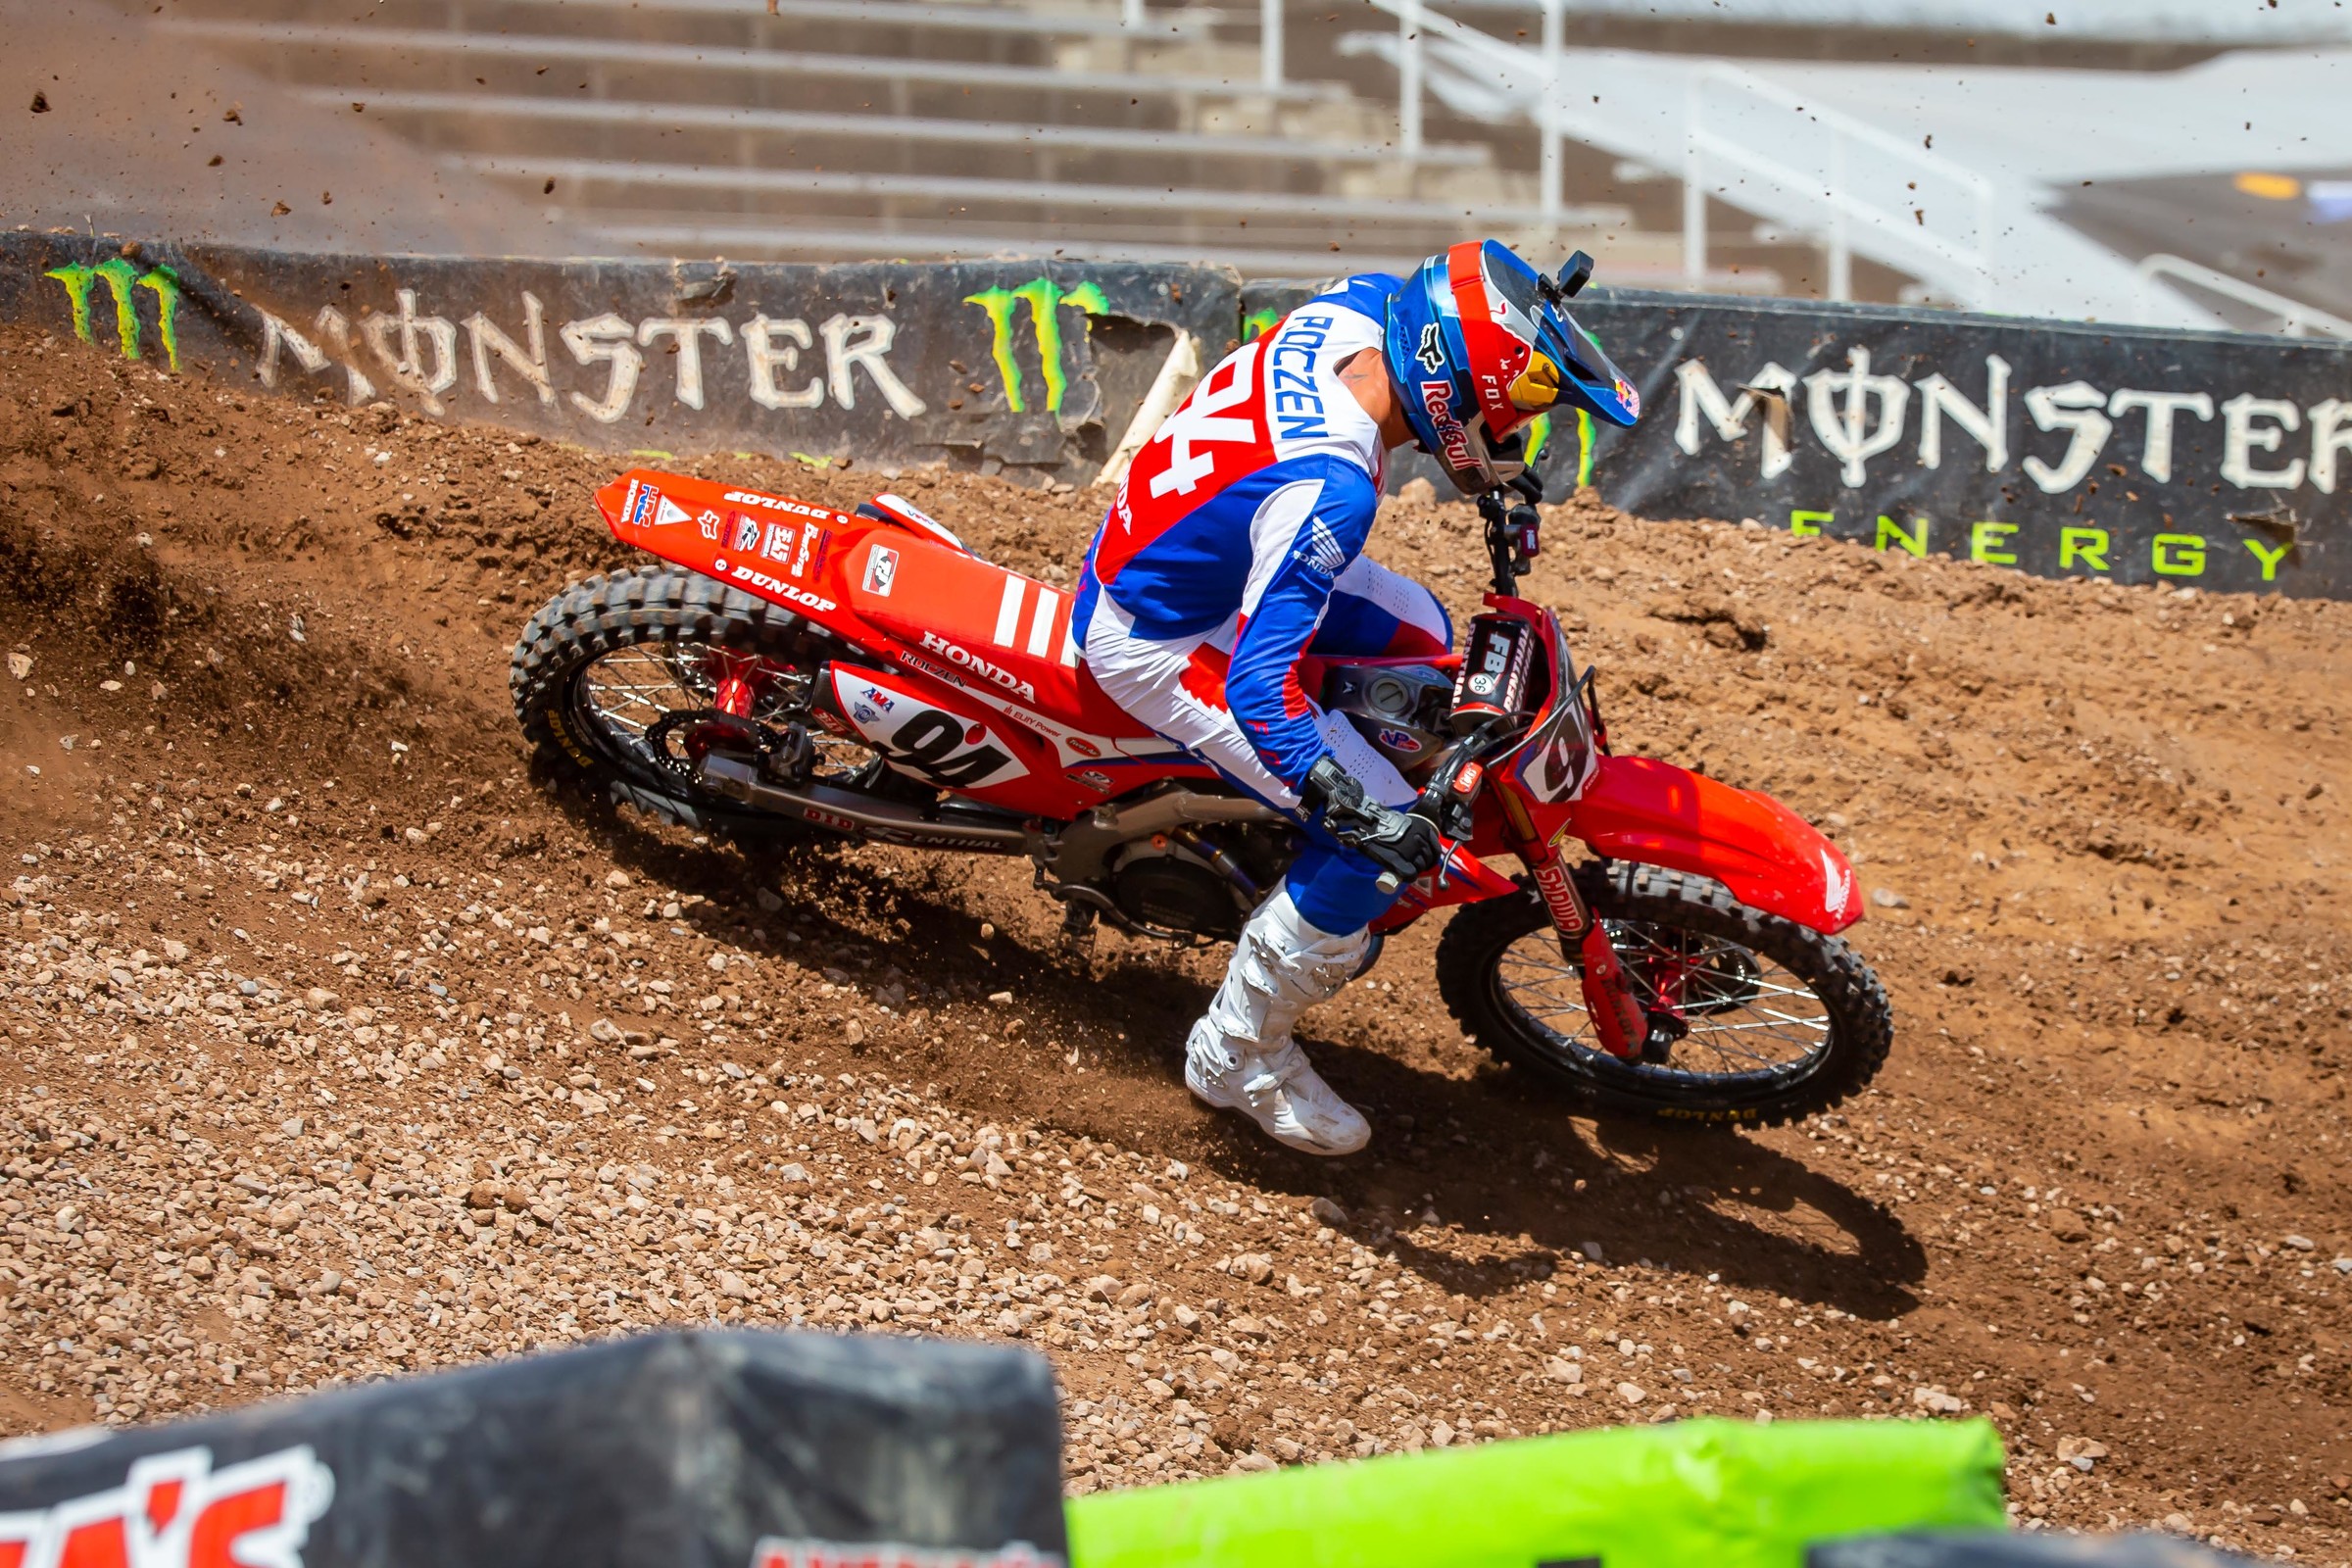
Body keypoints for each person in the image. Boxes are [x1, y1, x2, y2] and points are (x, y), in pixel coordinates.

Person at [1072, 240, 1642, 1155]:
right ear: (1455, 391)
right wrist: (1350, 803)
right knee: (1380, 835)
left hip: (1193, 545)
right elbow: (1259, 687)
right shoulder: (1332, 488)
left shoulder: (1366, 305)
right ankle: (1235, 1054)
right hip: (1156, 636)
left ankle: (1293, 846)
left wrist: (1491, 472)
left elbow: (1435, 343)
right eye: (1517, 408)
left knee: (1422, 625)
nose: (1520, 429)